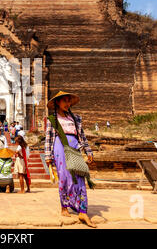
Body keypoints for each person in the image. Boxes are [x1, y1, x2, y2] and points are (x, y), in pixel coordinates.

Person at [45, 91, 96, 228]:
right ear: (57, 102)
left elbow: (82, 137)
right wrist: (48, 156)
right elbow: (49, 139)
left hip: (74, 146)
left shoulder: (76, 119)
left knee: (80, 177)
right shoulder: (53, 119)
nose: (67, 104)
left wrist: (88, 151)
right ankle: (64, 206)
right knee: (65, 177)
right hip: (60, 146)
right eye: (64, 101)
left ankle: (82, 210)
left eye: (69, 101)